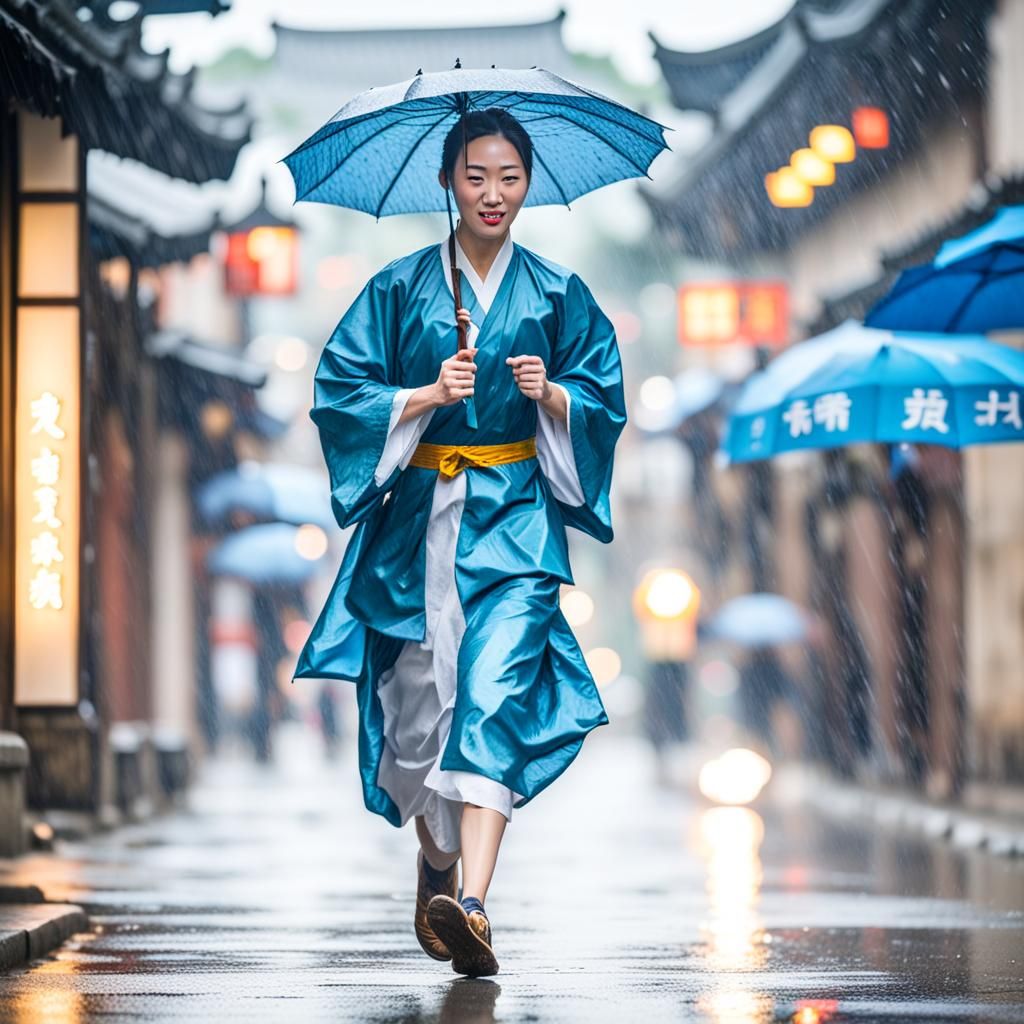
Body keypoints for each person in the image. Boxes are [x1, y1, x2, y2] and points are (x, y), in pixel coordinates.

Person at [294, 108, 625, 977]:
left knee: (495, 693)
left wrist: (552, 396)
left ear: (529, 184)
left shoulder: (558, 294)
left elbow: (603, 402)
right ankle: (437, 860)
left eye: (509, 176)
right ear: (448, 182)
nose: (492, 193)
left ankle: (473, 904)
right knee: (419, 722)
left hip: (515, 522)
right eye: (476, 176)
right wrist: (422, 394)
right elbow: (340, 391)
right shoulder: (400, 290)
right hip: (418, 528)